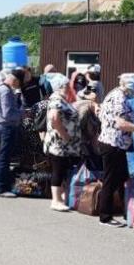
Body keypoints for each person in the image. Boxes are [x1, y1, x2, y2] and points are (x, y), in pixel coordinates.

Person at [96, 73, 134, 226]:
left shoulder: (117, 94)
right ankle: (105, 216)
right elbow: (122, 124)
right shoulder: (119, 98)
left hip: (117, 143)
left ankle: (128, 212)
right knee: (110, 180)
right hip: (112, 144)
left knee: (122, 178)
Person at [43, 72, 80, 211]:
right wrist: (64, 135)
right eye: (66, 85)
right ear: (60, 86)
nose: (69, 87)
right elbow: (54, 118)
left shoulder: (61, 99)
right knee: (58, 171)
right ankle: (56, 200)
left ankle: (61, 197)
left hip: (64, 144)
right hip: (59, 144)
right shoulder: (57, 99)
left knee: (61, 170)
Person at [0, 68, 24, 197]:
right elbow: (8, 114)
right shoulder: (5, 91)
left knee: (3, 157)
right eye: (18, 83)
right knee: (4, 159)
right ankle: (1, 189)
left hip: (1, 126)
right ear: (15, 80)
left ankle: (4, 186)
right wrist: (22, 113)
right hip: (6, 127)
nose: (18, 87)